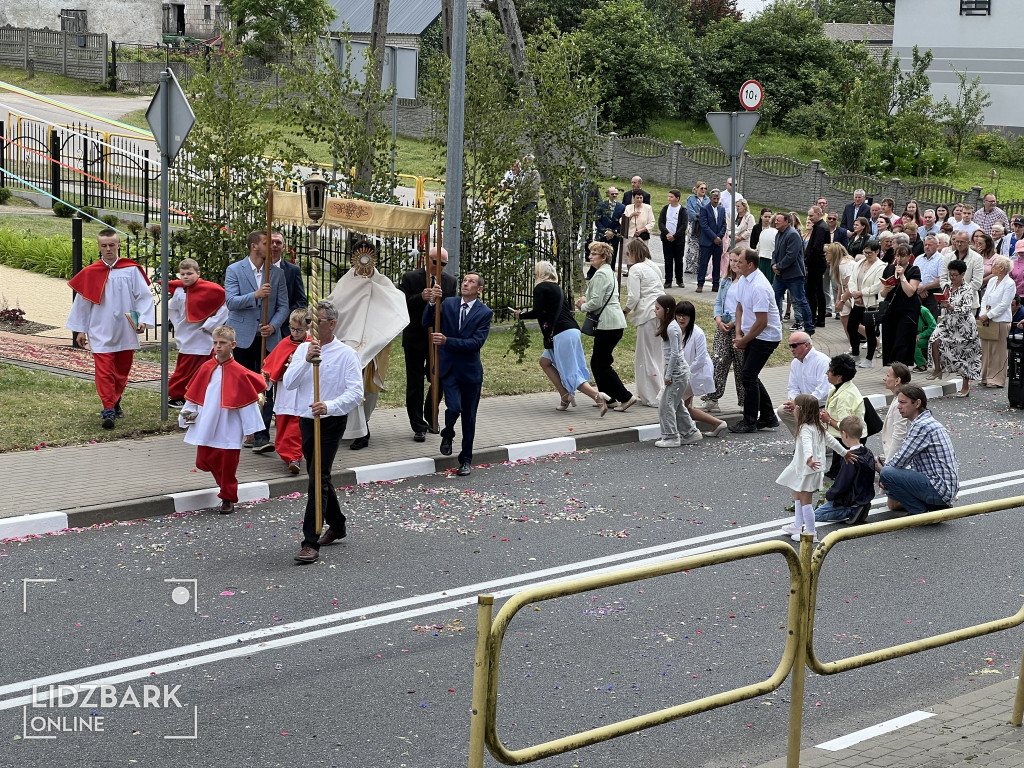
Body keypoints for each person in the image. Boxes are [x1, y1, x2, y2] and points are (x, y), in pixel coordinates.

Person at [284, 301, 364, 563]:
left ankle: (310, 541)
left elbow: (355, 393)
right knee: (319, 474)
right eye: (309, 322)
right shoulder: (304, 351)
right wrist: (306, 361)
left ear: (331, 324)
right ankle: (338, 524)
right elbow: (289, 382)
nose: (311, 327)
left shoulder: (346, 354)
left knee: (317, 477)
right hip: (308, 420)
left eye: (316, 322)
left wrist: (329, 405)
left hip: (330, 421)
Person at [66, 228, 156, 429]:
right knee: (104, 371)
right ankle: (108, 409)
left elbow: (144, 297)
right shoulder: (91, 273)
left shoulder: (131, 270)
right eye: (104, 245)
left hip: (125, 328)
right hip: (100, 329)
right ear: (99, 247)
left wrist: (142, 320)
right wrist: (81, 329)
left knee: (122, 371)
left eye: (112, 245)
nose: (108, 249)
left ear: (118, 246)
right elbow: (83, 304)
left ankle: (115, 401)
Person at [327, 242, 408, 451]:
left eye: (368, 254)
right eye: (358, 254)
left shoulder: (382, 282)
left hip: (374, 344)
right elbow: (335, 304)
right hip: (348, 342)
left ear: (375, 257)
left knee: (369, 389)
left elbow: (397, 304)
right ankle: (359, 432)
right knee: (351, 386)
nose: (363, 259)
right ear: (353, 257)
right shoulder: (346, 281)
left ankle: (365, 423)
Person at [179, 326, 267, 514]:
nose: (218, 347)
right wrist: (187, 414)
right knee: (203, 460)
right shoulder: (206, 367)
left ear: (233, 345)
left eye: (223, 343)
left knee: (228, 466)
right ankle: (225, 487)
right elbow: (194, 395)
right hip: (207, 423)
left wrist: (251, 429)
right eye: (215, 343)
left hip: (230, 426)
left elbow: (247, 403)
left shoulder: (239, 372)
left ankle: (228, 497)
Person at [224, 230, 289, 451]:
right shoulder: (235, 270)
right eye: (265, 243)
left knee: (266, 383)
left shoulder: (277, 274)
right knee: (244, 385)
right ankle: (246, 429)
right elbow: (231, 302)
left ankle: (262, 435)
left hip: (267, 340)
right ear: (254, 246)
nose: (270, 247)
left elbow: (283, 306)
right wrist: (256, 295)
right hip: (243, 338)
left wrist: (273, 326)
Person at [424, 272, 493, 477]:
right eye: (464, 280)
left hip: (470, 372)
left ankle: (465, 460)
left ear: (479, 289)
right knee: (453, 408)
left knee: (469, 417)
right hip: (448, 369)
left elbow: (476, 343)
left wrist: (448, 341)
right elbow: (426, 321)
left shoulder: (484, 312)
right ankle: (447, 433)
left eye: (471, 282)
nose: (465, 284)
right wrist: (431, 302)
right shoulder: (448, 304)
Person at [514, 261, 607, 410]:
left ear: (538, 273)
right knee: (545, 362)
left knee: (570, 370)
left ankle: (597, 397)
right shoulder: (557, 288)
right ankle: (565, 396)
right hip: (571, 330)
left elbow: (538, 311)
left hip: (561, 333)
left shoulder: (541, 287)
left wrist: (521, 315)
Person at [399, 246, 459, 442]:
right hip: (415, 338)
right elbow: (400, 304)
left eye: (443, 264)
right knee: (415, 383)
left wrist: (442, 300)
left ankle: (430, 414)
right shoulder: (411, 278)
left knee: (438, 379)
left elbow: (452, 309)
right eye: (436, 262)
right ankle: (418, 425)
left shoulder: (450, 282)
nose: (439, 267)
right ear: (427, 260)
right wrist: (421, 297)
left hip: (437, 339)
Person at [777, 394, 849, 542]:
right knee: (797, 492)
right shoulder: (818, 427)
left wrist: (809, 458)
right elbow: (832, 442)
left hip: (808, 469)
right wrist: (844, 453)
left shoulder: (805, 428)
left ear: (800, 410)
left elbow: (807, 444)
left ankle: (810, 532)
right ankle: (798, 525)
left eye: (795, 407)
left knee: (805, 500)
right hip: (804, 468)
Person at [878, 384, 959, 514]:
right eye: (898, 402)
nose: (899, 406)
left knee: (887, 472)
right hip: (944, 488)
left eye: (903, 403)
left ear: (917, 403)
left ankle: (920, 510)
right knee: (890, 472)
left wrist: (883, 475)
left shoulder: (922, 426)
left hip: (939, 490)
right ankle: (930, 506)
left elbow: (900, 459)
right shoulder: (927, 422)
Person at [729, 248, 784, 433]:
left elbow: (762, 322)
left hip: (766, 336)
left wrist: (744, 340)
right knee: (750, 375)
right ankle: (768, 416)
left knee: (748, 376)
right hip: (751, 333)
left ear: (750, 265)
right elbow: (739, 307)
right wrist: (738, 333)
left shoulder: (759, 286)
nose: (736, 264)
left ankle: (750, 420)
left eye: (740, 262)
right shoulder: (744, 280)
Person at [165, 257, 227, 409]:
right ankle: (178, 394)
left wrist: (210, 325)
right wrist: (179, 323)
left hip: (204, 335)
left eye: (189, 273)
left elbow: (224, 308)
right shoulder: (180, 292)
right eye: (183, 274)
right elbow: (173, 309)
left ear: (198, 273)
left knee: (204, 367)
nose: (185, 277)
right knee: (184, 368)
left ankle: (200, 394)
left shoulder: (212, 290)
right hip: (186, 334)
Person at [577, 242, 631, 413]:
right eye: (590, 253)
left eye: (594, 254)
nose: (590, 256)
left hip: (608, 324)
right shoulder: (608, 272)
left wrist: (582, 306)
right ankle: (609, 398)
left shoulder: (601, 274)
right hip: (612, 322)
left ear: (603, 257)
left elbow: (596, 302)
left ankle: (626, 397)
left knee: (601, 363)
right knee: (599, 362)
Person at [262, 308, 312, 475]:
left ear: (307, 328)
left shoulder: (311, 344)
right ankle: (286, 454)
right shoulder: (284, 343)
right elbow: (271, 363)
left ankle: (294, 457)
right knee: (283, 422)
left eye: (299, 330)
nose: (295, 333)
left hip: (302, 389)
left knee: (296, 424)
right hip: (285, 390)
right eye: (292, 329)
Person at [653, 295, 703, 447]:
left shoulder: (672, 327)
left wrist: (668, 375)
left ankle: (671, 437)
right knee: (676, 404)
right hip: (676, 371)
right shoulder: (669, 325)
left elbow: (675, 353)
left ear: (667, 310)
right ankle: (690, 433)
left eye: (657, 308)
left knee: (666, 405)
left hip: (677, 372)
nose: (655, 311)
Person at [675, 300, 729, 437]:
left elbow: (699, 359)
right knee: (684, 407)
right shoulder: (676, 331)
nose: (681, 318)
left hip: (696, 373)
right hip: (687, 373)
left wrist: (684, 373)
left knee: (677, 404)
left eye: (685, 316)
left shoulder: (697, 333)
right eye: (679, 315)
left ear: (691, 317)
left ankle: (689, 431)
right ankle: (715, 424)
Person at [622, 239, 664, 407]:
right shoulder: (653, 266)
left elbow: (634, 296)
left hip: (647, 313)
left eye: (628, 253)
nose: (627, 256)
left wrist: (625, 311)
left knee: (645, 355)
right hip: (661, 311)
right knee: (657, 354)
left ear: (633, 253)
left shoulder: (636, 269)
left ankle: (652, 395)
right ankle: (655, 391)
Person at [929, 259, 981, 397]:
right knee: (934, 339)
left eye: (955, 275)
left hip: (964, 325)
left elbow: (967, 308)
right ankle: (938, 369)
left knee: (965, 354)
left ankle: (965, 386)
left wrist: (952, 306)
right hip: (948, 321)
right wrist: (943, 303)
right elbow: (944, 302)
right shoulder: (947, 286)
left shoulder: (968, 289)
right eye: (950, 274)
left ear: (962, 274)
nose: (952, 278)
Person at [813, 415, 876, 526]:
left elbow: (842, 483)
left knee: (814, 516)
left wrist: (829, 496)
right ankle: (859, 507)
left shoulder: (849, 458)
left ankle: (852, 511)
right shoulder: (868, 452)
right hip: (863, 496)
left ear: (844, 434)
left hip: (849, 500)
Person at [702, 251, 745, 414]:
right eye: (732, 261)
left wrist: (734, 322)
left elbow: (744, 306)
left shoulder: (746, 283)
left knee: (741, 364)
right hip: (723, 325)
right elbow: (719, 301)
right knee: (718, 360)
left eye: (737, 261)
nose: (734, 264)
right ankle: (712, 398)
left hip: (739, 327)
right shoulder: (726, 281)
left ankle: (745, 401)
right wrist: (718, 319)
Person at [775, 331, 830, 437]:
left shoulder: (822, 361)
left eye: (794, 345)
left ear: (806, 345)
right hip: (803, 406)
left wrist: (802, 403)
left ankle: (818, 442)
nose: (791, 349)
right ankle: (802, 441)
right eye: (790, 346)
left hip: (821, 408)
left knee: (826, 446)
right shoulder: (795, 363)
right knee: (783, 410)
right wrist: (793, 401)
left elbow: (823, 390)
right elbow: (793, 387)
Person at [819, 353, 866, 479]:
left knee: (843, 473)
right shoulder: (840, 387)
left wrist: (827, 419)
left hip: (848, 437)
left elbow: (846, 425)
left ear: (839, 376)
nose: (826, 373)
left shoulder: (844, 397)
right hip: (842, 436)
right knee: (837, 470)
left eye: (830, 371)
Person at [771, 212, 815, 336]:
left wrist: (778, 266)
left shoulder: (793, 235)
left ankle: (808, 326)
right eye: (776, 220)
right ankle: (776, 321)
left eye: (778, 220)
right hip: (780, 275)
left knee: (799, 301)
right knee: (775, 297)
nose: (776, 222)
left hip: (794, 275)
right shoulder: (778, 234)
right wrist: (773, 265)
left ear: (787, 222)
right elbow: (775, 252)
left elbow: (791, 255)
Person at [879, 244, 922, 367]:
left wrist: (902, 276)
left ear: (909, 256)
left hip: (907, 310)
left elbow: (910, 292)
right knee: (890, 339)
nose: (899, 259)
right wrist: (887, 288)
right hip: (892, 309)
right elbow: (882, 293)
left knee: (902, 340)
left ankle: (901, 368)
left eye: (903, 256)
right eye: (897, 255)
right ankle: (892, 368)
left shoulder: (914, 270)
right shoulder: (888, 269)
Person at [847, 240, 886, 369]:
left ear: (877, 252)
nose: (867, 255)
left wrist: (861, 293)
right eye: (866, 252)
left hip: (870, 303)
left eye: (870, 253)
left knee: (870, 331)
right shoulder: (859, 264)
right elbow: (852, 280)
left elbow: (877, 286)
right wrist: (854, 293)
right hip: (857, 302)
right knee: (851, 327)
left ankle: (869, 358)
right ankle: (855, 354)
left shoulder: (881, 266)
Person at [979, 256, 1015, 388]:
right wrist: (983, 314)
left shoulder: (1010, 283)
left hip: (1000, 320)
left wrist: (989, 315)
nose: (991, 267)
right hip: (986, 319)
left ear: (1001, 268)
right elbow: (984, 298)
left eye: (994, 265)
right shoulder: (992, 280)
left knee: (998, 352)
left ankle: (996, 379)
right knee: (986, 349)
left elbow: (1004, 304)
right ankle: (985, 377)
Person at [269, 231, 307, 336]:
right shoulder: (257, 269)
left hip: (284, 329)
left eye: (278, 243)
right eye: (271, 242)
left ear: (284, 247)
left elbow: (301, 301)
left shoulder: (293, 270)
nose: (274, 245)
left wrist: (281, 317)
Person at [940, 231, 984, 311]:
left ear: (969, 242)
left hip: (968, 304)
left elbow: (977, 283)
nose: (959, 244)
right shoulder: (948, 257)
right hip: (948, 302)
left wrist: (959, 292)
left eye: (962, 242)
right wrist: (950, 290)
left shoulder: (977, 258)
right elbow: (943, 278)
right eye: (957, 241)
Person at [879, 363, 912, 464]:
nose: (884, 378)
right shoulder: (896, 399)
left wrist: (889, 463)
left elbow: (899, 435)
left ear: (897, 380)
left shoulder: (900, 403)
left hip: (895, 459)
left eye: (888, 376)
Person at [826, 243, 857, 346]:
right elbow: (840, 283)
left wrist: (842, 301)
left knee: (853, 323)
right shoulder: (838, 264)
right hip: (847, 293)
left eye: (828, 253)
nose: (825, 255)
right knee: (844, 319)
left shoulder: (845, 265)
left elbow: (850, 287)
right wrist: (838, 299)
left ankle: (875, 341)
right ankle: (852, 344)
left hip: (853, 295)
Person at [697, 189, 727, 292]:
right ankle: (700, 284)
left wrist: (720, 237)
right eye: (714, 198)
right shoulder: (704, 209)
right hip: (707, 241)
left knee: (717, 263)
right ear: (710, 199)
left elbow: (724, 225)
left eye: (717, 199)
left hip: (718, 242)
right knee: (703, 263)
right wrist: (714, 237)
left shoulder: (722, 209)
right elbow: (704, 225)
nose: (716, 200)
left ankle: (716, 284)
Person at [804, 205, 830, 328]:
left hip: (816, 264)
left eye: (811, 215)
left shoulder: (820, 228)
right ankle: (819, 319)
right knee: (819, 291)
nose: (809, 218)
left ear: (819, 214)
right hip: (817, 263)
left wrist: (807, 261)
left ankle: (813, 318)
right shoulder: (819, 227)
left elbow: (816, 248)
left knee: (812, 291)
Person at [620, 191, 655, 276]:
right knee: (629, 254)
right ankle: (630, 272)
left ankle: (640, 273)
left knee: (641, 254)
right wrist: (631, 215)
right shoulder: (628, 207)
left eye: (641, 198)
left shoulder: (648, 208)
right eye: (637, 198)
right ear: (633, 199)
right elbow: (622, 221)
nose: (639, 200)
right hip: (630, 235)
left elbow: (652, 222)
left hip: (642, 236)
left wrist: (642, 230)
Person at [658, 189, 688, 288]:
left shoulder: (683, 210)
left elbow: (684, 226)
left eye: (671, 197)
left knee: (679, 260)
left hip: (678, 240)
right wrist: (667, 234)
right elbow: (661, 223)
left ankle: (679, 280)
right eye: (669, 196)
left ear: (677, 198)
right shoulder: (665, 208)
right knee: (668, 260)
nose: (669, 199)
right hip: (667, 238)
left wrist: (674, 236)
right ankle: (668, 280)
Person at [593, 187, 626, 273]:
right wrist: (605, 232)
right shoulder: (601, 205)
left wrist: (613, 232)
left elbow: (622, 223)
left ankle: (610, 271)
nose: (614, 195)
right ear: (608, 194)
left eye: (616, 194)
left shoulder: (622, 207)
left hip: (614, 236)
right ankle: (593, 272)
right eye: (612, 194)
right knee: (598, 253)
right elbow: (597, 220)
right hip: (602, 234)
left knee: (612, 255)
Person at [915, 234, 944, 322]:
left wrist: (924, 287)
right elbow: (912, 276)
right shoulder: (919, 258)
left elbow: (941, 280)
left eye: (930, 245)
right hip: (917, 292)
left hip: (933, 293)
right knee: (918, 320)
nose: (927, 247)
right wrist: (919, 289)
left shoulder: (941, 259)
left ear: (937, 246)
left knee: (931, 321)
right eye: (925, 245)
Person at [684, 181, 708, 276]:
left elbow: (709, 212)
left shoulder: (708, 200)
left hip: (704, 225)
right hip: (694, 225)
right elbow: (690, 211)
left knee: (703, 246)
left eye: (705, 188)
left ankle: (700, 267)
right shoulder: (691, 199)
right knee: (692, 245)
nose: (703, 190)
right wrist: (699, 216)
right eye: (701, 188)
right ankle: (690, 267)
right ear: (696, 188)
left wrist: (703, 219)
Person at [755, 208, 777, 283]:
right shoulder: (777, 234)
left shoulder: (764, 232)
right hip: (771, 260)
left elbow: (758, 247)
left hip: (761, 259)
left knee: (761, 281)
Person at [915, 306, 936, 372]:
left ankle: (922, 365)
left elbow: (933, 326)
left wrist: (921, 335)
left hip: (928, 337)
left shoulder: (923, 310)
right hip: (917, 335)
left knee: (913, 344)